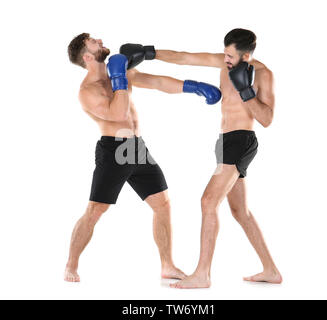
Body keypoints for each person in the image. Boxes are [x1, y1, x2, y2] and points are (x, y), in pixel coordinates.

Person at [123, 28, 282, 288]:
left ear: (247, 55)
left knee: (208, 201)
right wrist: (150, 52)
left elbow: (267, 119)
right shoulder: (223, 62)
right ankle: (271, 270)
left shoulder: (264, 75)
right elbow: (185, 57)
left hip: (241, 141)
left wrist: (246, 91)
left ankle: (202, 274)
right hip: (225, 142)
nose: (226, 59)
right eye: (225, 53)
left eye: (231, 56)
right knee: (240, 212)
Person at [65, 33, 221, 282]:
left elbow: (158, 82)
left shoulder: (121, 74)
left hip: (137, 148)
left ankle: (167, 265)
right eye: (94, 42)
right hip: (114, 150)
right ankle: (71, 265)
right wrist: (118, 77)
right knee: (96, 210)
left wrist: (193, 87)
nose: (101, 41)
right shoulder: (88, 91)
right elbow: (118, 113)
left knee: (162, 204)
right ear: (86, 56)